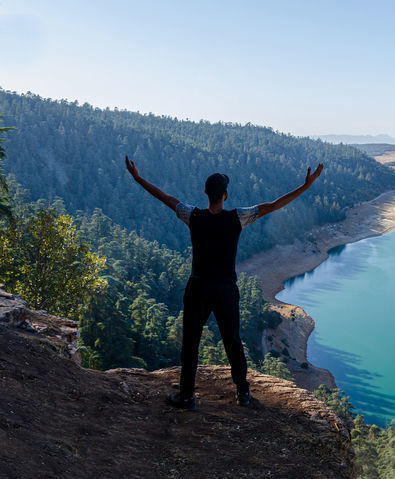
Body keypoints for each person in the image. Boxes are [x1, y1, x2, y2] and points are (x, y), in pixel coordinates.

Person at [125, 156, 324, 409]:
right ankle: (243, 394)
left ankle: (186, 396)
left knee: (191, 343)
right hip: (226, 289)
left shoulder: (192, 216)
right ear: (226, 195)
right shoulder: (238, 217)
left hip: (198, 288)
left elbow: (164, 197)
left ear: (206, 193)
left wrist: (138, 177)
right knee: (232, 340)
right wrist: (306, 186)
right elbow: (274, 205)